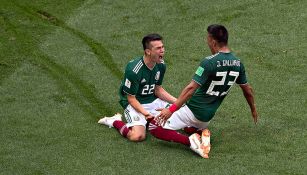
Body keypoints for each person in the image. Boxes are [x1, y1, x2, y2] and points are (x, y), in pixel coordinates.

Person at [149, 24, 258, 158]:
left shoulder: (209, 62)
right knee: (188, 127)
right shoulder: (238, 63)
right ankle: (199, 132)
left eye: (207, 39)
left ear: (213, 41)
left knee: (154, 127)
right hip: (207, 117)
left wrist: (171, 110)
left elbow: (190, 89)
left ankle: (190, 141)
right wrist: (253, 109)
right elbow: (247, 90)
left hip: (193, 110)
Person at [98, 33, 176, 142]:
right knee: (137, 136)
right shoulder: (134, 70)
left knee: (183, 115)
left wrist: (178, 103)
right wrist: (146, 113)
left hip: (153, 101)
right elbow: (131, 99)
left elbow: (158, 89)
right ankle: (114, 121)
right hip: (135, 104)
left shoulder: (161, 65)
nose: (162, 50)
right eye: (158, 48)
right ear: (148, 51)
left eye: (162, 47)